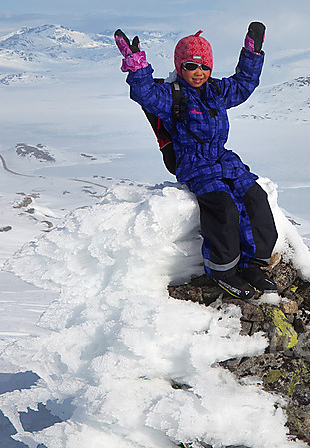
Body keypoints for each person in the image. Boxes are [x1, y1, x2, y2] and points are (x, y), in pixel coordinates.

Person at [114, 22, 278, 300]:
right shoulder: (171, 95)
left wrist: (252, 53)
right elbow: (145, 95)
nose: (198, 73)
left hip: (224, 159)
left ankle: (253, 264)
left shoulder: (216, 91)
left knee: (255, 199)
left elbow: (244, 84)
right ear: (180, 67)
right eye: (191, 66)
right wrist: (136, 65)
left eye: (204, 67)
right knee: (223, 206)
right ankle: (223, 270)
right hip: (195, 163)